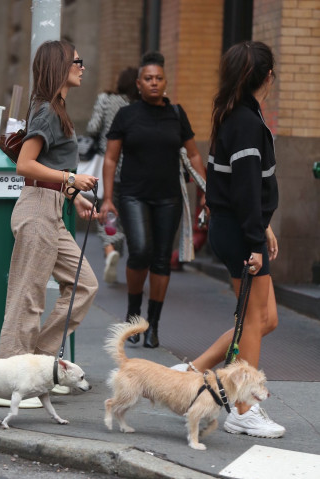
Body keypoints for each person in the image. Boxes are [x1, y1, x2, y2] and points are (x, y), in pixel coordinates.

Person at [172, 41, 285, 438]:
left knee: (263, 319)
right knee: (253, 320)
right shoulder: (246, 123)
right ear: (267, 77)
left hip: (240, 229)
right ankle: (243, 408)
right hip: (240, 233)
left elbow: (240, 186)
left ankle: (192, 372)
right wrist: (256, 238)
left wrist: (262, 227)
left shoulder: (236, 115)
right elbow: (246, 192)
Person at [0, 40, 99, 366]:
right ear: (59, 66)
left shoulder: (55, 110)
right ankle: (12, 377)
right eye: (76, 61)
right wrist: (71, 180)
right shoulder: (46, 111)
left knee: (85, 285)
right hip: (38, 208)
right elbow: (25, 165)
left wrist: (75, 196)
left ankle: (38, 363)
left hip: (51, 208)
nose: (82, 67)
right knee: (27, 296)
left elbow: (50, 165)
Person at [100, 51, 206, 348]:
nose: (154, 83)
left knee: (161, 260)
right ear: (138, 83)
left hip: (169, 198)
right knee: (141, 251)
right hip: (133, 195)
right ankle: (134, 316)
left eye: (159, 78)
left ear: (165, 82)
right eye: (148, 79)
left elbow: (194, 153)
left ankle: (153, 325)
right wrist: (108, 199)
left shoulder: (176, 114)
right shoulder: (127, 115)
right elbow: (110, 159)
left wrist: (206, 190)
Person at [86, 67, 139, 283]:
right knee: (128, 213)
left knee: (106, 211)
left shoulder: (106, 100)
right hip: (133, 169)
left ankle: (110, 248)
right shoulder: (139, 105)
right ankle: (120, 251)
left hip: (108, 166)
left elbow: (93, 127)